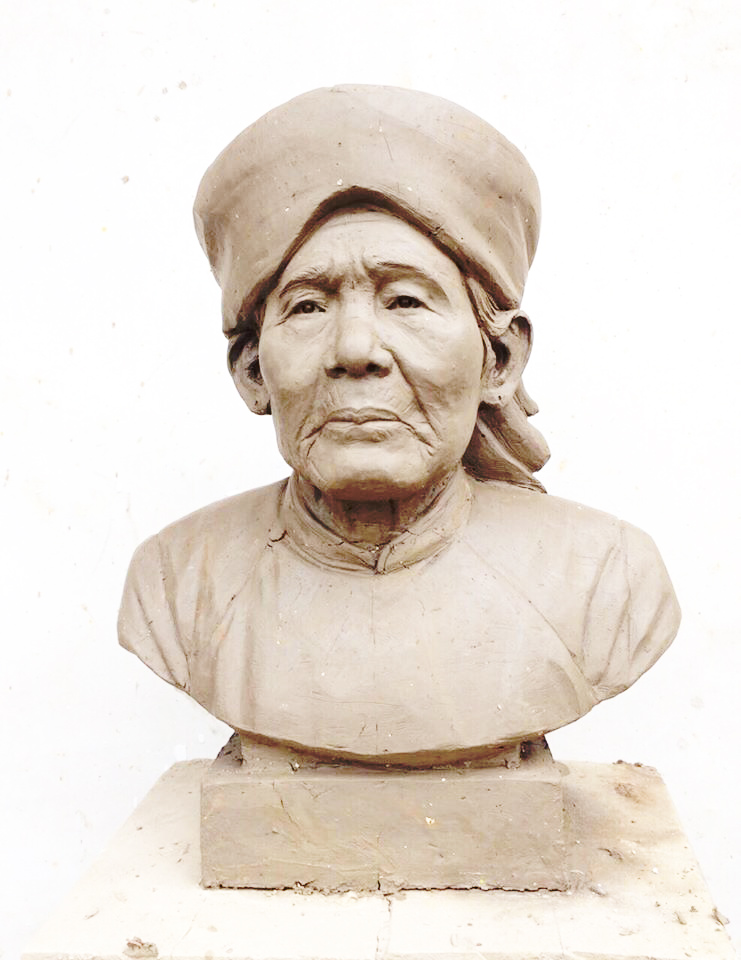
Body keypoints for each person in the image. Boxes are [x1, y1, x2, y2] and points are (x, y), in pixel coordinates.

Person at [118, 86, 680, 766]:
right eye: (308, 307)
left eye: (405, 300)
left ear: (499, 360)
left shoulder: (605, 578)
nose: (356, 350)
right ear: (252, 371)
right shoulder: (178, 582)